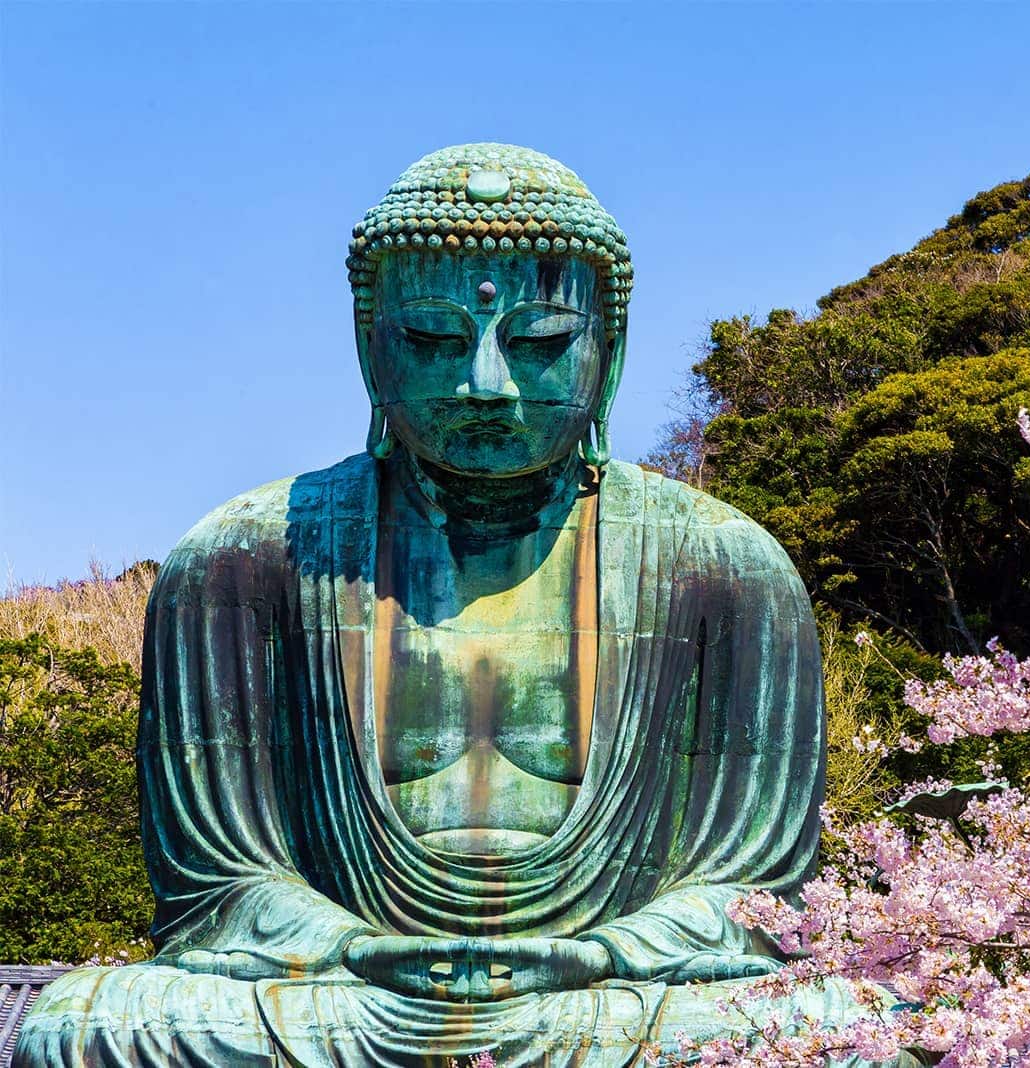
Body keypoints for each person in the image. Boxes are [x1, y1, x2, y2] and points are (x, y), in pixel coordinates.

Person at [18, 144, 911, 1068]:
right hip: (348, 995)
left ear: (608, 352)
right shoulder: (247, 558)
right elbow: (217, 887)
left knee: (853, 1031)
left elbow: (752, 890)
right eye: (435, 340)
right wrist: (352, 947)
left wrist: (600, 954)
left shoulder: (725, 567)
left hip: (609, 998)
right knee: (80, 1029)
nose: (485, 383)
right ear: (370, 346)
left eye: (539, 342)